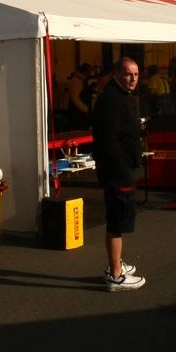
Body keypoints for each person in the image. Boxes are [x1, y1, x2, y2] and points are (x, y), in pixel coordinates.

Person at [91, 56, 146, 291]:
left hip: (121, 169)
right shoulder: (111, 99)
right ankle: (115, 275)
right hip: (117, 172)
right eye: (127, 74)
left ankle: (116, 265)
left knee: (121, 217)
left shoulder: (120, 95)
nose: (132, 78)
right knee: (117, 221)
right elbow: (107, 139)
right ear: (116, 74)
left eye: (135, 74)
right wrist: (122, 167)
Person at [65, 62, 93, 130]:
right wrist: (85, 109)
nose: (90, 74)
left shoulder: (80, 80)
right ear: (84, 72)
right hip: (77, 113)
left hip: (80, 112)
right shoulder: (76, 81)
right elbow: (75, 98)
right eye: (89, 72)